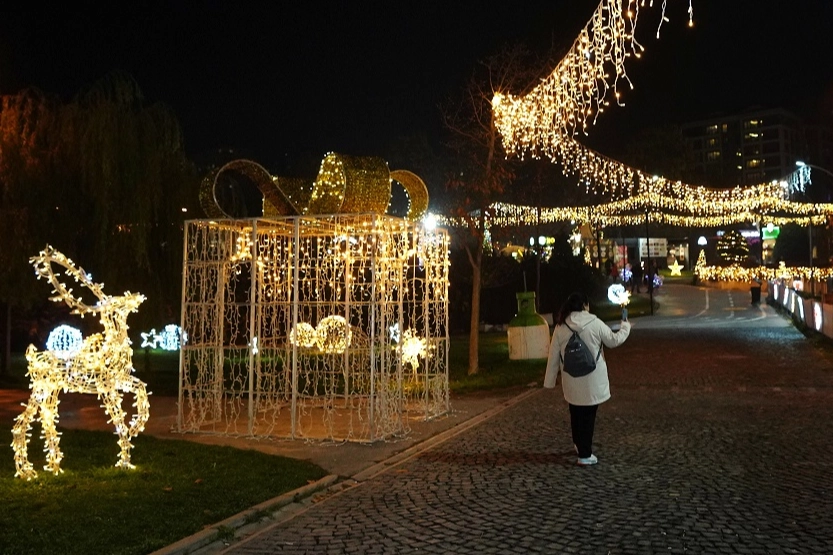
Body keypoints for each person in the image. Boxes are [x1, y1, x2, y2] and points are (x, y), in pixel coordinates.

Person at [544, 291, 631, 466]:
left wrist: (550, 381)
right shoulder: (595, 323)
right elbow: (613, 341)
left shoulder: (561, 326)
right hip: (592, 378)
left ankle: (579, 444)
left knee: (575, 412)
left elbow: (553, 355)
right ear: (585, 305)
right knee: (588, 416)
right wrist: (625, 326)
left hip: (571, 378)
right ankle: (585, 454)